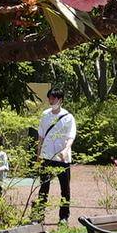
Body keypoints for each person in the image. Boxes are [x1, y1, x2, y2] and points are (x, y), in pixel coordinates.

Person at [34, 90, 78, 223]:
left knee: (65, 188)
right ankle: (39, 216)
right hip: (46, 156)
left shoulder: (68, 117)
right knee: (43, 187)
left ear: (60, 99)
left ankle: (64, 217)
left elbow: (71, 136)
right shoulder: (45, 115)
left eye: (53, 99)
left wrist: (65, 150)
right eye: (49, 99)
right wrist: (38, 153)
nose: (50, 101)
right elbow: (41, 135)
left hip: (62, 158)